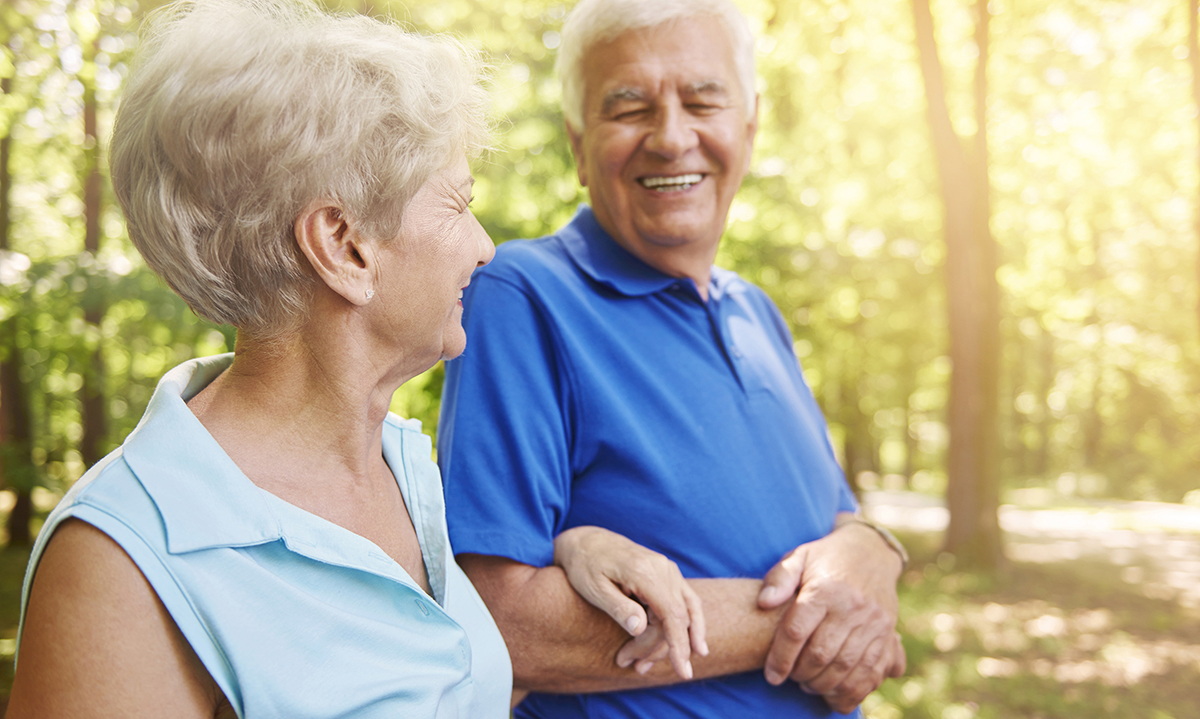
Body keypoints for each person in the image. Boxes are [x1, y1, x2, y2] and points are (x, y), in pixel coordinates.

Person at [4, 1, 679, 716]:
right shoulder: (119, 561)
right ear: (343, 245)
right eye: (456, 204)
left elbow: (432, 688)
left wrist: (575, 547)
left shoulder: (395, 464)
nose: (484, 245)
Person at [437, 0, 909, 717]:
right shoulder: (521, 294)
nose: (671, 136)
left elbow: (834, 520)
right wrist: (819, 620)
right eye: (628, 107)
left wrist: (875, 552)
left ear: (748, 128)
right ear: (577, 145)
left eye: (702, 100)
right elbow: (503, 623)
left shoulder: (757, 312)